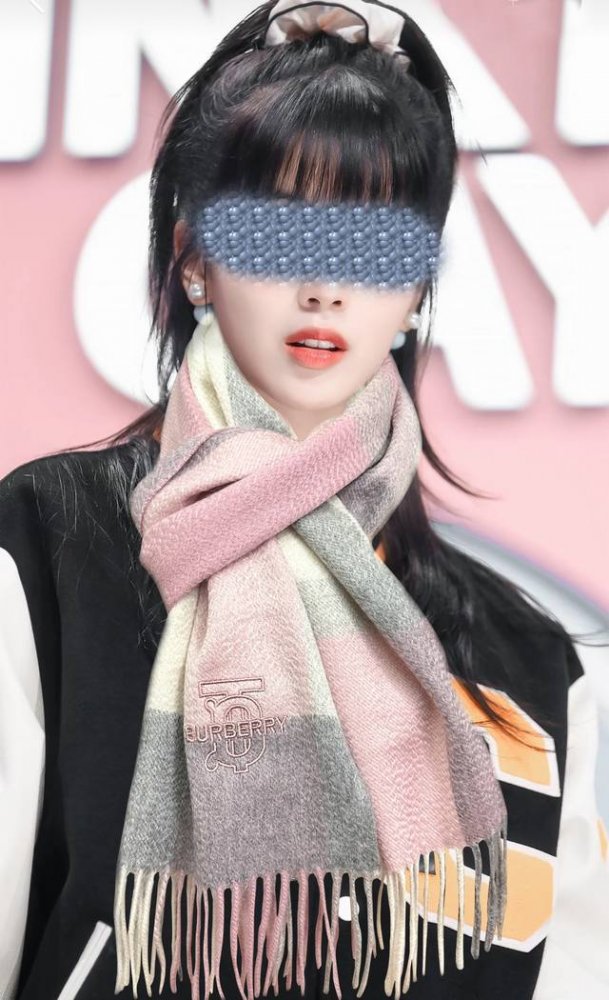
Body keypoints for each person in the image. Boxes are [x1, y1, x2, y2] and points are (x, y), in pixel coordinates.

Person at [2, 2, 608, 998]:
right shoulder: (52, 550)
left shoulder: (531, 665)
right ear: (194, 258)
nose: (325, 284)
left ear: (417, 290)